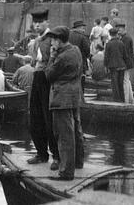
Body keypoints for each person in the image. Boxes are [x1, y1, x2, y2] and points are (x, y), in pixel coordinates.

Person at [43, 26, 84, 181]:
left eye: (53, 39)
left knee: (64, 135)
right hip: (74, 96)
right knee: (76, 131)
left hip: (62, 99)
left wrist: (52, 56)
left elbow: (48, 75)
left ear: (59, 40)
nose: (52, 42)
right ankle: (78, 162)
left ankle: (66, 172)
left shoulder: (61, 57)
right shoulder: (76, 50)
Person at [26, 9, 59, 170]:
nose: (37, 25)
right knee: (35, 117)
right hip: (37, 77)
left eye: (40, 23)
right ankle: (41, 153)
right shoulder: (38, 40)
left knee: (49, 119)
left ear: (47, 23)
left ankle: (57, 156)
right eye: (35, 23)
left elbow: (54, 60)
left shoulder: (52, 39)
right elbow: (34, 61)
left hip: (46, 78)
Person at [104, 28, 128, 102]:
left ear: (110, 35)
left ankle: (117, 100)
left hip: (113, 66)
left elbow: (106, 57)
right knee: (120, 84)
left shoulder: (108, 44)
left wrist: (105, 66)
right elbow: (125, 56)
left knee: (115, 85)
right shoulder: (121, 43)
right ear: (117, 34)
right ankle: (122, 99)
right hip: (122, 65)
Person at [116, 22, 134, 103]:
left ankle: (126, 101)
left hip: (126, 63)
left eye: (119, 29)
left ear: (123, 29)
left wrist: (122, 63)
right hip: (128, 62)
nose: (118, 31)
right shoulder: (125, 38)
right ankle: (131, 99)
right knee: (127, 80)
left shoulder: (125, 39)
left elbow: (125, 53)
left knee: (125, 81)